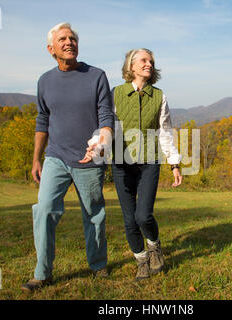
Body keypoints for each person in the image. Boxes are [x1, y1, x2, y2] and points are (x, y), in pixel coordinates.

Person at [21, 22, 114, 292]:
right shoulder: (45, 81)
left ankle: (98, 266)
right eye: (62, 39)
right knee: (45, 210)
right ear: (51, 49)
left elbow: (106, 114)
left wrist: (101, 141)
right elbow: (42, 119)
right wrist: (36, 158)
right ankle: (42, 273)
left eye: (72, 38)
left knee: (94, 214)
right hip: (56, 157)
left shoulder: (96, 75)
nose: (69, 42)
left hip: (89, 159)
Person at [86, 48, 183, 281]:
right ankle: (141, 260)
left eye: (151, 61)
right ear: (131, 66)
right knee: (129, 219)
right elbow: (105, 125)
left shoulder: (160, 96)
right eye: (143, 60)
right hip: (121, 163)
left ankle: (155, 246)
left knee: (143, 216)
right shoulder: (115, 93)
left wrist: (174, 164)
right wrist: (96, 145)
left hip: (149, 162)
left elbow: (165, 132)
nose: (148, 64)